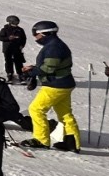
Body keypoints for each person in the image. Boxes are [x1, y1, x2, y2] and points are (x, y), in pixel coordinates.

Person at [19, 21, 79, 152]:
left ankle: (41, 140)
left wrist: (31, 72)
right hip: (64, 83)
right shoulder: (55, 45)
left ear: (45, 33)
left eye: (36, 34)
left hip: (54, 85)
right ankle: (72, 142)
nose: (35, 38)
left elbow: (49, 68)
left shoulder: (54, 47)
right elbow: (51, 65)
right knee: (65, 114)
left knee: (36, 109)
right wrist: (34, 68)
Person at [0, 15, 27, 82]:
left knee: (18, 62)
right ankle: (10, 74)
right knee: (8, 61)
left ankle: (20, 74)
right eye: (15, 23)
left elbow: (24, 38)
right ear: (10, 22)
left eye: (17, 23)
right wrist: (8, 38)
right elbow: (1, 38)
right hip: (7, 48)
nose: (16, 24)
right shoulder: (5, 29)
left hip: (17, 48)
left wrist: (22, 45)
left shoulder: (20, 30)